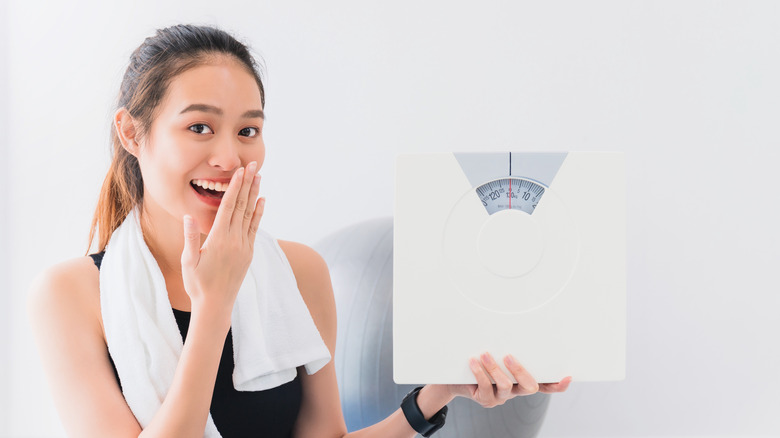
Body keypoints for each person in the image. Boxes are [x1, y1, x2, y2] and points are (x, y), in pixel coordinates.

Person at [27, 24, 572, 438]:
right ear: (131, 132)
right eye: (199, 127)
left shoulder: (300, 272)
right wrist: (213, 305)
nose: (228, 155)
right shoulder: (70, 295)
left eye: (248, 130)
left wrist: (438, 393)